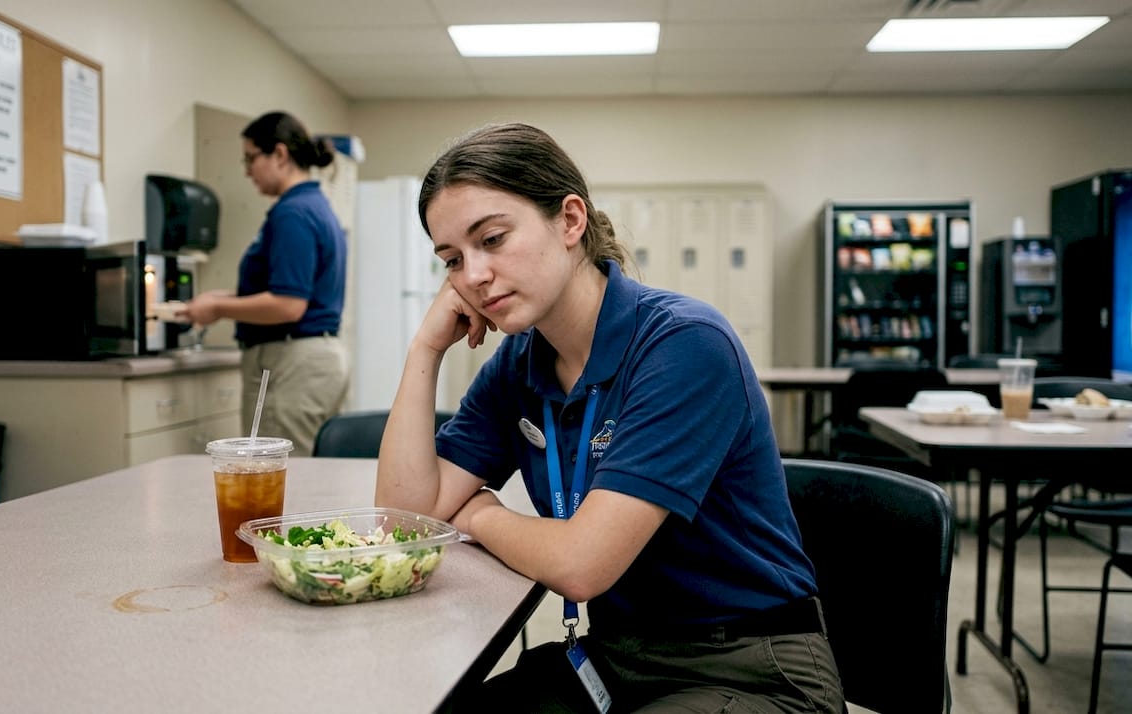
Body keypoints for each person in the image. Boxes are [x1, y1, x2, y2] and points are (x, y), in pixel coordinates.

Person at [375, 122, 844, 713]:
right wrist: (426, 350)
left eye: (491, 239)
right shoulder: (519, 363)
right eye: (451, 259)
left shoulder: (684, 345)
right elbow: (400, 520)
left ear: (570, 221)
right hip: (618, 657)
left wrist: (481, 512)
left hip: (751, 669)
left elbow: (582, 565)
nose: (472, 275)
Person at [181, 111, 349, 454]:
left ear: (280, 154)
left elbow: (288, 304)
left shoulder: (292, 213)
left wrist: (217, 307)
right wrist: (224, 297)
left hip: (292, 363)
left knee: (285, 479)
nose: (247, 171)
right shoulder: (315, 205)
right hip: (316, 358)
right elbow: (293, 291)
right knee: (310, 476)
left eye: (250, 158)